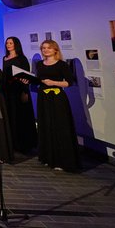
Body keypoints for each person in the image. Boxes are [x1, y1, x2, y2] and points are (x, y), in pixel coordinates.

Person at [30, 40, 79, 172]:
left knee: (59, 127)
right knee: (45, 125)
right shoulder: (40, 64)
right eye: (43, 48)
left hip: (57, 98)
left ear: (55, 50)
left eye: (48, 48)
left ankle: (61, 160)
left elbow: (69, 82)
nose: (45, 50)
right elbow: (38, 80)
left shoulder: (62, 65)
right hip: (43, 98)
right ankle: (47, 157)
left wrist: (53, 83)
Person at [2, 36, 38, 154]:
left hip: (20, 89)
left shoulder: (21, 58)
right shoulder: (5, 58)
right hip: (8, 90)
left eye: (11, 43)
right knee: (11, 114)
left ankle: (23, 143)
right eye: (7, 43)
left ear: (16, 44)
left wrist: (25, 91)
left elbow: (26, 76)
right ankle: (12, 141)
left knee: (21, 114)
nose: (8, 45)